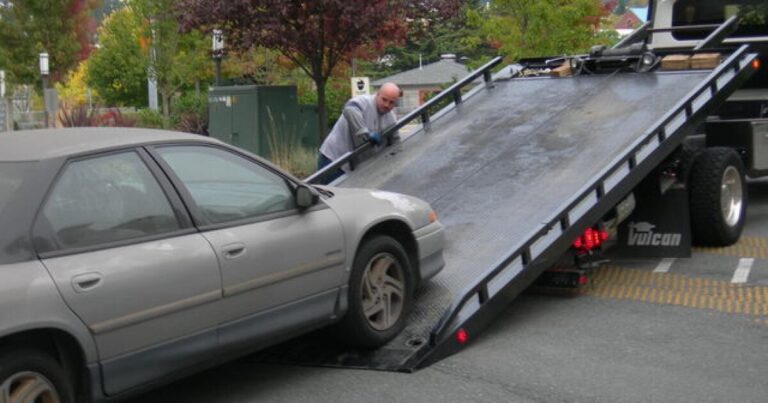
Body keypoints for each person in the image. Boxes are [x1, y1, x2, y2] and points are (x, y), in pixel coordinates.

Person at [316, 82, 402, 184]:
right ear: (377, 94)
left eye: (391, 102)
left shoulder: (390, 119)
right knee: (331, 197)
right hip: (334, 160)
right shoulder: (364, 102)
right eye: (384, 99)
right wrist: (365, 133)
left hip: (354, 166)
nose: (387, 105)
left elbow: (396, 143)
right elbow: (350, 109)